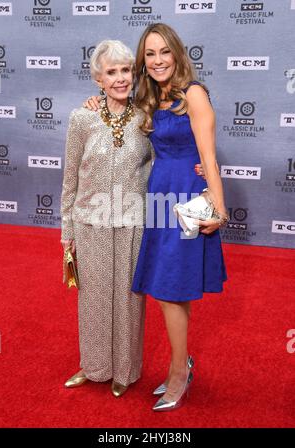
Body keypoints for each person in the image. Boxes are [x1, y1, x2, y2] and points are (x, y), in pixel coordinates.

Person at [83, 23, 228, 412]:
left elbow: (209, 156)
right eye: (150, 54)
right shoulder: (149, 96)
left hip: (185, 199)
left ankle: (180, 371)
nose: (158, 60)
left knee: (171, 288)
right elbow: (117, 114)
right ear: (142, 60)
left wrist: (218, 206)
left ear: (177, 53)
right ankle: (181, 365)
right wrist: (94, 102)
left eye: (164, 51)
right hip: (159, 197)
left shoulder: (192, 94)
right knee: (165, 287)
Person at [60, 40, 153, 397]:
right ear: (98, 79)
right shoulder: (82, 118)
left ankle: (124, 372)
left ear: (133, 73)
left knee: (129, 301)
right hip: (89, 223)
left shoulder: (146, 119)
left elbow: (164, 163)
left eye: (125, 70)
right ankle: (94, 366)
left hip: (133, 224)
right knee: (94, 299)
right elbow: (70, 178)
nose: (120, 78)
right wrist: (67, 230)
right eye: (111, 72)